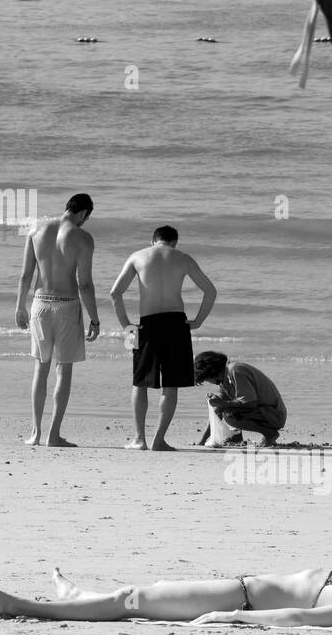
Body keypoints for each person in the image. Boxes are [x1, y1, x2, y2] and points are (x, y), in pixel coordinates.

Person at [0, 567, 332, 627]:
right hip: (239, 590)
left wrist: (225, 620)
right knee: (150, 592)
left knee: (131, 599)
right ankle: (78, 595)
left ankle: (21, 608)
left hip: (240, 601)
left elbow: (299, 618)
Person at [108, 226, 216, 451]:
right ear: (174, 243)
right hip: (177, 323)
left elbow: (114, 293)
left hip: (147, 323)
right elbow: (210, 291)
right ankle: (159, 440)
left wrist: (127, 326)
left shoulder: (137, 256)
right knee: (171, 384)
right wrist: (198, 321)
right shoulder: (183, 258)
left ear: (153, 241)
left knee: (140, 381)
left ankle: (140, 439)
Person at [15, 193, 99, 446]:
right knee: (64, 371)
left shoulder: (36, 229)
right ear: (83, 213)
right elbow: (84, 283)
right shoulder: (83, 237)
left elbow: (25, 275)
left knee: (41, 368)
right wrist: (94, 319)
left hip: (40, 305)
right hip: (67, 306)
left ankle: (35, 433)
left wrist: (20, 306)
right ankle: (53, 435)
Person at [194, 351, 287, 447]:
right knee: (225, 408)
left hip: (274, 415)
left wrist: (222, 403)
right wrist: (202, 441)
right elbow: (218, 410)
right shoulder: (225, 377)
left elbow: (250, 403)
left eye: (206, 379)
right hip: (266, 412)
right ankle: (237, 437)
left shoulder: (235, 371)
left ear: (212, 373)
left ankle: (269, 433)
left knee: (229, 414)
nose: (209, 382)